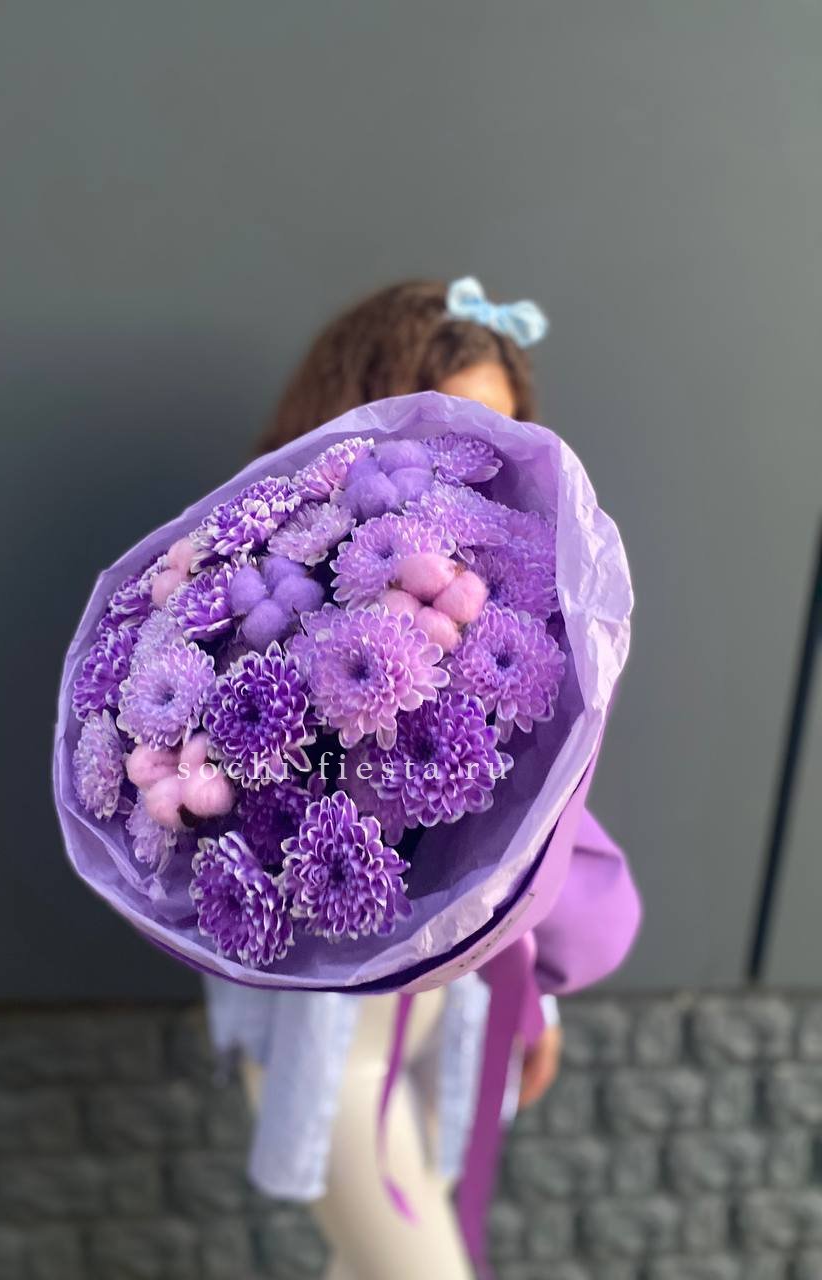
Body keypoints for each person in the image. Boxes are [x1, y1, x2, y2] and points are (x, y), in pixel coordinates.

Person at [205, 277, 640, 1280]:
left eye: (505, 431)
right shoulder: (271, 598)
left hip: (447, 1026)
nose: (480, 460)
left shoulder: (504, 601)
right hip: (336, 1048)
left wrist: (534, 997)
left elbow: (516, 823)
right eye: (449, 424)